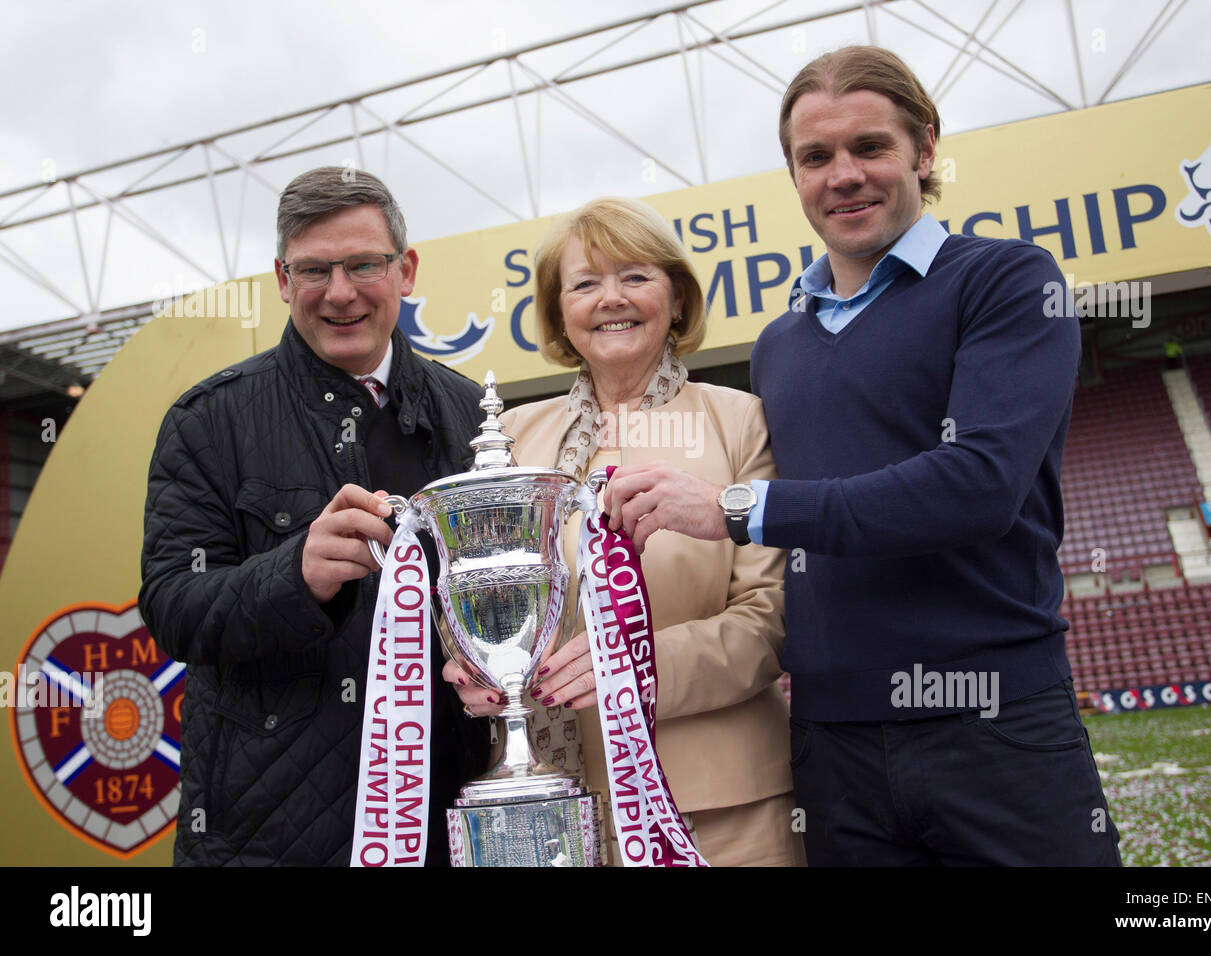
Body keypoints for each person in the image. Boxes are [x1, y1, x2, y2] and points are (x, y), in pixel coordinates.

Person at [602, 47, 1121, 866]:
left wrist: (736, 511)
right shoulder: (780, 344)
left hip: (996, 725)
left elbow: (977, 486)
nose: (843, 175)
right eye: (816, 157)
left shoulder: (1007, 281)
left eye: (869, 147)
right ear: (795, 176)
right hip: (830, 744)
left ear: (924, 149)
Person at [139, 167, 489, 865]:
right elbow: (172, 606)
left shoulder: (472, 419)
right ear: (281, 279)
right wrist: (291, 575)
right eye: (313, 269)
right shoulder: (211, 420)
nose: (339, 292)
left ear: (406, 269)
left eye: (364, 264)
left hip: (452, 819)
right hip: (270, 837)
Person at [446, 197, 803, 866]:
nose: (611, 298)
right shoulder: (514, 435)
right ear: (559, 312)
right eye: (585, 283)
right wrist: (473, 662)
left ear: (676, 296)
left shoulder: (740, 420)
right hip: (554, 806)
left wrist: (632, 668)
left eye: (635, 276)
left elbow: (771, 617)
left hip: (721, 809)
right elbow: (488, 592)